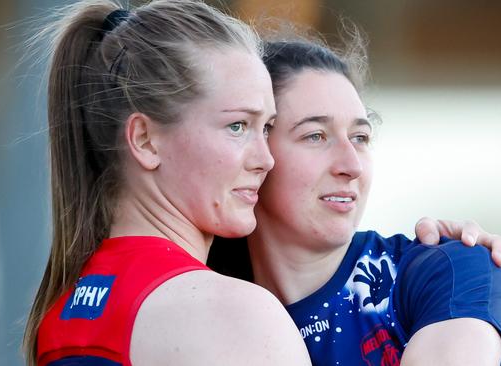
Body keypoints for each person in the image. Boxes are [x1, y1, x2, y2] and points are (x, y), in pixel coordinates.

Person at [22, 1, 315, 365]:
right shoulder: (236, 315)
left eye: (267, 128)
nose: (265, 159)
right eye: (237, 126)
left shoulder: (60, 316)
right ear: (145, 140)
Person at [208, 38, 501, 365]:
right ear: (255, 153)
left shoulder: (450, 269)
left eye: (360, 138)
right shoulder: (199, 307)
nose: (352, 166)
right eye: (315, 136)